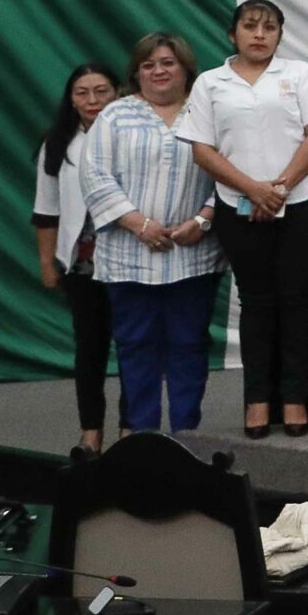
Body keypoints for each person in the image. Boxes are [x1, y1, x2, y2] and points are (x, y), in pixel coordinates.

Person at [180, 0, 308, 439]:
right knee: (257, 303)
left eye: (269, 27)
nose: (259, 34)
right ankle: (257, 401)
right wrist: (254, 189)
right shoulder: (211, 83)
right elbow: (201, 149)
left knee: (298, 300)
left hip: (300, 199)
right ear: (233, 34)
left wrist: (280, 186)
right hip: (238, 206)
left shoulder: (299, 74)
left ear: (280, 35)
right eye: (250, 26)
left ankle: (295, 399)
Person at [82, 33, 221, 436]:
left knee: (188, 347)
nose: (158, 71)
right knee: (136, 348)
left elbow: (228, 170)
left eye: (168, 63)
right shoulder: (115, 115)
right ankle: (140, 441)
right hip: (129, 256)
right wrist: (138, 223)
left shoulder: (206, 112)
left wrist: (204, 219)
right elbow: (94, 176)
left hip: (192, 254)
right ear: (136, 72)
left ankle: (185, 439)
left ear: (186, 69)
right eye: (149, 65)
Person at [33, 62, 122, 451]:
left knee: (134, 350)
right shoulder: (57, 144)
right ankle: (91, 433)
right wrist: (47, 261)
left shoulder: (131, 134)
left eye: (100, 91)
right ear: (70, 99)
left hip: (129, 260)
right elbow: (46, 208)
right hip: (81, 263)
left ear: (117, 92)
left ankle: (131, 432)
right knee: (90, 349)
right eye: (82, 92)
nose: (92, 100)